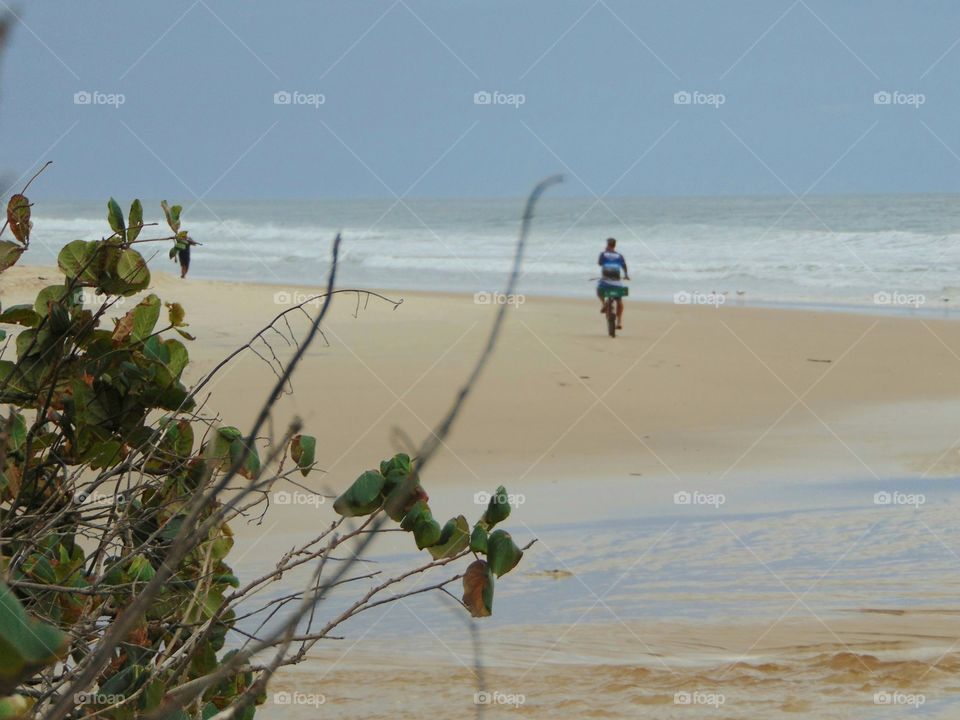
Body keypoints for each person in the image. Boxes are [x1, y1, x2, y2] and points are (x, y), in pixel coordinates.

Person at [597, 237, 629, 329]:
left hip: (605, 282)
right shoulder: (619, 256)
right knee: (619, 301)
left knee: (599, 291)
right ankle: (619, 322)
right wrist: (626, 275)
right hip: (617, 284)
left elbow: (600, 263)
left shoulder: (603, 254)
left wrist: (605, 254)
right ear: (614, 246)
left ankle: (604, 304)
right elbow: (624, 266)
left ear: (607, 245)